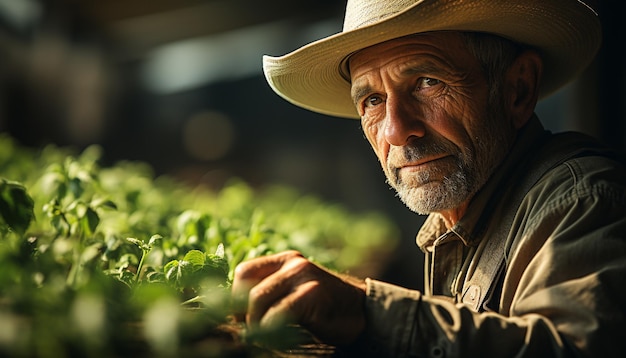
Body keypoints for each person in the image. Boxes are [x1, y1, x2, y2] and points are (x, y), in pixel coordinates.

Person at [231, 0, 626, 356]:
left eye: (426, 82)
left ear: (517, 89)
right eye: (372, 101)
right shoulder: (456, 222)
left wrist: (368, 311)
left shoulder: (582, 198)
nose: (396, 131)